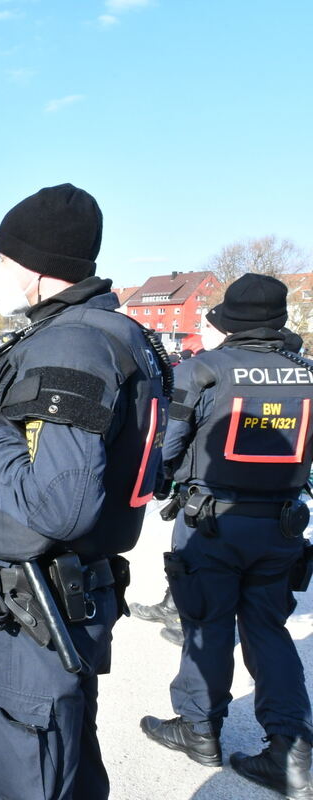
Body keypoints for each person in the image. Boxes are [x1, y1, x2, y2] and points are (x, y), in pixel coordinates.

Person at [0, 184, 167, 799]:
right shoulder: (115, 333)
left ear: (39, 270)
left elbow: (60, 505)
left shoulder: (69, 345)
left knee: (34, 768)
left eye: (3, 260)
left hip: (39, 604)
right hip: (67, 594)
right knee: (66, 762)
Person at [141, 274, 313, 798]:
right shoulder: (305, 376)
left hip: (212, 523)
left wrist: (155, 484)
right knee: (268, 630)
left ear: (230, 322)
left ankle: (199, 729)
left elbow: (166, 452)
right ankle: (293, 752)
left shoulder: (203, 370)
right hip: (282, 525)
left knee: (206, 625)